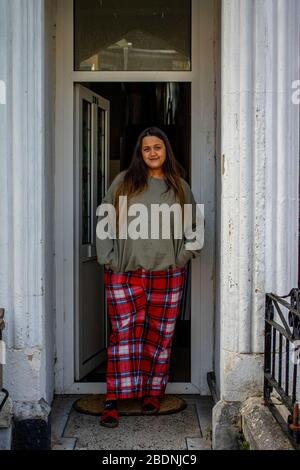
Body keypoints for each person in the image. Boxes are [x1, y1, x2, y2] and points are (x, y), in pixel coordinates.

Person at [96, 127, 204, 428]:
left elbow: (196, 229)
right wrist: (109, 259)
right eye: (147, 149)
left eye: (158, 147)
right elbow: (104, 219)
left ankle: (152, 392)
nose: (153, 153)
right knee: (123, 337)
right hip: (124, 273)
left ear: (166, 150)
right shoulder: (123, 183)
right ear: (139, 153)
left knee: (159, 336)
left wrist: (179, 258)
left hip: (167, 275)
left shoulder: (179, 187)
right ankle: (113, 398)